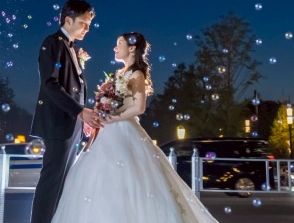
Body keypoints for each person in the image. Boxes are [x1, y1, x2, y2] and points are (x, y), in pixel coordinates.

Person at [52, 31, 219, 223]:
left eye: (119, 43)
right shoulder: (119, 74)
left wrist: (113, 117)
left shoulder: (136, 74)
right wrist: (100, 114)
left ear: (132, 48)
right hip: (107, 131)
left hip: (123, 130)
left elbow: (139, 107)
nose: (115, 47)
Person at [30, 0, 103, 223]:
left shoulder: (71, 47)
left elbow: (75, 87)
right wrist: (80, 111)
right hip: (57, 123)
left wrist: (83, 117)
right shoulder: (53, 43)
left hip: (72, 124)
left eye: (89, 24)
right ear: (67, 20)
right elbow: (50, 84)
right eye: (83, 23)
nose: (87, 29)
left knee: (64, 182)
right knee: (51, 182)